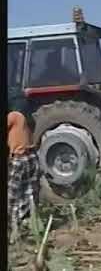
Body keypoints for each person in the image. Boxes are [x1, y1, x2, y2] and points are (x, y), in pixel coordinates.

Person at [7, 88, 40, 238]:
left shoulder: (14, 116)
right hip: (32, 157)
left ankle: (14, 230)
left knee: (12, 196)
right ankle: (29, 223)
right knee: (29, 193)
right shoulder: (29, 118)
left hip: (19, 159)